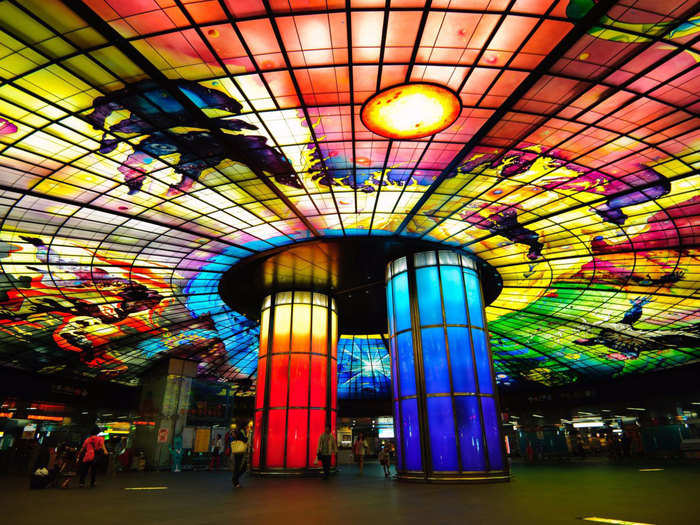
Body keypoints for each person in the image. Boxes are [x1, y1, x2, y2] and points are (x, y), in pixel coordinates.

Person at [229, 422, 247, 488]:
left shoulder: (234, 432)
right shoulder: (240, 433)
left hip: (235, 451)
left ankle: (235, 480)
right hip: (239, 451)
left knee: (238, 466)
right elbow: (245, 440)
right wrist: (246, 437)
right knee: (242, 467)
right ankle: (235, 480)